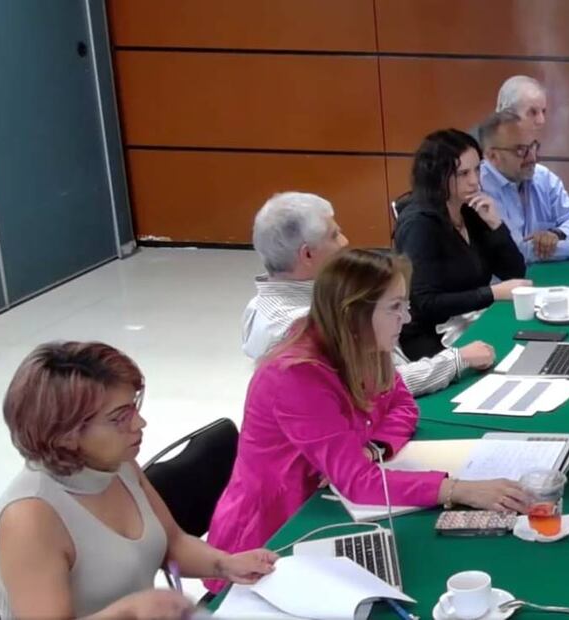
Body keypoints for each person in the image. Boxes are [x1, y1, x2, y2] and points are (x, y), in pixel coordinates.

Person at [208, 249, 529, 587]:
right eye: (394, 307)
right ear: (355, 313)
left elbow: (404, 406)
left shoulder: (362, 346)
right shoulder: (296, 375)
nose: (405, 319)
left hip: (325, 509)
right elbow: (359, 483)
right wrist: (460, 490)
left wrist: (374, 447)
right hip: (270, 539)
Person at [0, 342, 276, 619]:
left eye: (133, 407)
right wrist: (129, 612)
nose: (139, 423)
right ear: (64, 434)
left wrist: (225, 564)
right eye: (119, 417)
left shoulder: (118, 464)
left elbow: (172, 542)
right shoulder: (29, 517)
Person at [242, 192, 495, 396]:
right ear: (307, 255)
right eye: (334, 235)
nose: (344, 242)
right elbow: (380, 383)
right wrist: (457, 359)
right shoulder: (307, 323)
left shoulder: (258, 306)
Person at [394, 129, 531, 359]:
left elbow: (514, 273)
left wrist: (496, 224)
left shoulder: (470, 209)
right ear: (437, 176)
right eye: (463, 173)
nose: (474, 181)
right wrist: (492, 293)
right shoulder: (419, 224)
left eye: (477, 169)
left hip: (470, 320)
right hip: (430, 338)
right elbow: (426, 302)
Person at [480, 110, 569, 262]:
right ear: (492, 156)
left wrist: (557, 234)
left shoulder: (542, 176)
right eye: (520, 150)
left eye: (533, 146)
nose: (532, 157)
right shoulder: (481, 189)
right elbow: (516, 251)